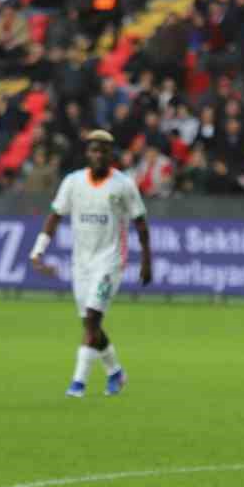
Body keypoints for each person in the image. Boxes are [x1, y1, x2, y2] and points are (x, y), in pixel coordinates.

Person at [30, 130, 153, 398]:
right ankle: (115, 372)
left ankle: (78, 383)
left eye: (104, 151)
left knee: (92, 319)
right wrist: (38, 251)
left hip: (110, 261)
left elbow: (140, 223)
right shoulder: (73, 182)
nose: (98, 155)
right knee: (90, 323)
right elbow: (54, 216)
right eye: (94, 150)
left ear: (111, 154)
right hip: (81, 263)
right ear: (88, 153)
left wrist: (146, 260)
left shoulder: (123, 185)